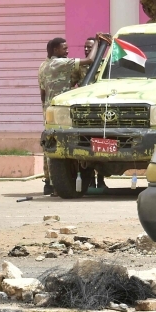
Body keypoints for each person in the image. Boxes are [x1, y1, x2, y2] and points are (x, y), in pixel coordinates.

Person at [39, 34, 110, 196]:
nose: (67, 51)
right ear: (56, 50)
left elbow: (43, 92)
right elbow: (89, 63)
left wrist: (46, 108)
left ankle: (50, 183)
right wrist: (99, 44)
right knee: (59, 148)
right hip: (62, 112)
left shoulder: (43, 65)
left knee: (50, 145)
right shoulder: (62, 63)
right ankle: (57, 184)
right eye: (64, 48)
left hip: (51, 109)